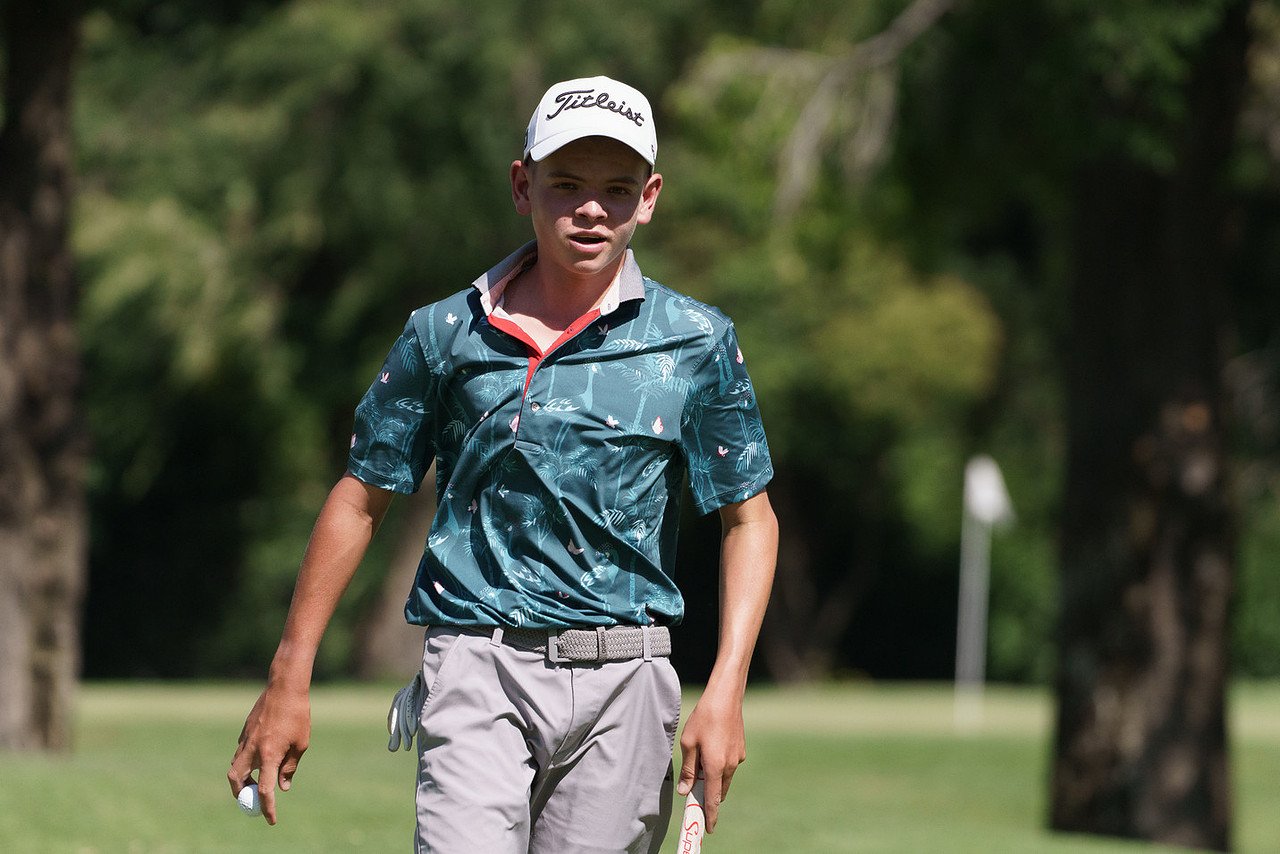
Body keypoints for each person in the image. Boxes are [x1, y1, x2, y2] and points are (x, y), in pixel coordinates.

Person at [227, 75, 778, 853]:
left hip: (628, 681)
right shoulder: (444, 333)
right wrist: (290, 673)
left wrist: (726, 688)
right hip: (475, 666)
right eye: (567, 185)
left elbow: (749, 520)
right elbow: (359, 499)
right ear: (523, 185)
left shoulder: (696, 340)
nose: (592, 209)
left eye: (617, 189)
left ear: (649, 198)